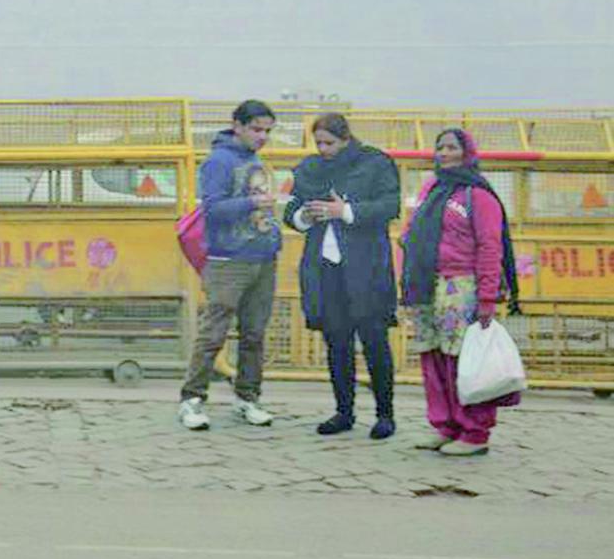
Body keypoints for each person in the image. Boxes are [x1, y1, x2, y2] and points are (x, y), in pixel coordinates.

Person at [400, 128, 521, 456]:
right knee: (433, 357)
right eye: (440, 147)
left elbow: (489, 246)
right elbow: (410, 232)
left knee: (463, 360)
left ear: (467, 152)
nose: (444, 153)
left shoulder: (477, 195)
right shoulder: (431, 188)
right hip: (427, 284)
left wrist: (486, 297)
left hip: (461, 285)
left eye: (452, 147)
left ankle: (474, 431)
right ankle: (445, 425)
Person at [284, 113, 402, 439]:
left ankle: (384, 414)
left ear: (346, 138)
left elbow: (390, 205)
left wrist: (345, 212)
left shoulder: (375, 163)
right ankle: (344, 411)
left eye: (330, 143)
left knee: (375, 341)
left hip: (366, 269)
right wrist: (303, 215)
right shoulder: (310, 168)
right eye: (319, 143)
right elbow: (290, 210)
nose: (323, 149)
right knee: (336, 342)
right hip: (326, 269)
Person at [179, 99, 282, 430]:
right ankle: (192, 399)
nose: (262, 136)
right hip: (228, 259)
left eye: (267, 131)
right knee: (214, 332)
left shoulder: (256, 160)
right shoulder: (219, 161)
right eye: (256, 129)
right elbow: (213, 209)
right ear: (237, 126)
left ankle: (247, 397)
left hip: (262, 257)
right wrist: (252, 202)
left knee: (254, 333)